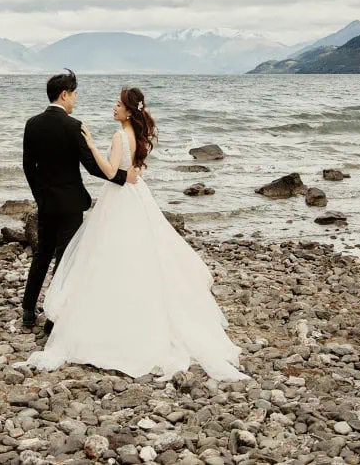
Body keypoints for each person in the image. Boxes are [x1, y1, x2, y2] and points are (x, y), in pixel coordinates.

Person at [21, 87, 249, 381]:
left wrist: (91, 145)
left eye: (118, 104)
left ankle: (89, 315)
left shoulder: (118, 136)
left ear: (129, 111)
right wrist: (123, 174)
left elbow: (109, 170)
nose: (114, 107)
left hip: (117, 197)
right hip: (137, 195)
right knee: (139, 254)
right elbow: (133, 171)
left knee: (106, 254)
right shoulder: (138, 136)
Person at [21, 70, 141, 332]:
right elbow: (92, 167)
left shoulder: (32, 124)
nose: (75, 99)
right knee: (66, 258)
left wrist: (39, 196)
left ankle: (28, 310)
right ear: (64, 94)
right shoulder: (73, 126)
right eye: (74, 94)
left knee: (42, 254)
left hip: (46, 202)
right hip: (71, 203)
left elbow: (28, 166)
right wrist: (124, 177)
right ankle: (53, 317)